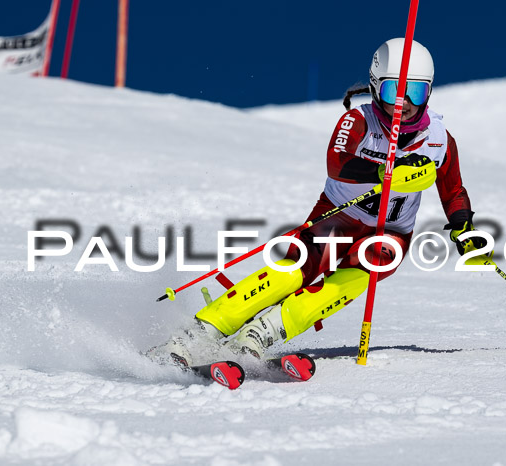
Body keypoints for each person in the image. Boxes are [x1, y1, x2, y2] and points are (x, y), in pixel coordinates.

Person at [146, 38, 484, 367]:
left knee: (360, 273)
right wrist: (385, 170)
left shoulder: (439, 140)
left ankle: (264, 332)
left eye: (416, 91)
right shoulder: (359, 121)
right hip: (338, 215)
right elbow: (336, 161)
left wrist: (463, 226)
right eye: (393, 91)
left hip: (390, 231)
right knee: (296, 270)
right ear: (374, 86)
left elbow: (453, 190)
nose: (404, 103)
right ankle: (201, 331)